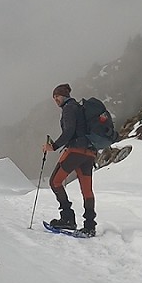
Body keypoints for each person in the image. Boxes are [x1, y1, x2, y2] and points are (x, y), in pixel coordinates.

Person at [43, 83, 98, 236]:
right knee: (87, 190)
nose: (55, 100)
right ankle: (89, 226)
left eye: (57, 97)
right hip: (90, 153)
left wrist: (53, 147)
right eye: (54, 98)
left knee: (55, 181)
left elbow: (69, 132)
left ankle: (68, 219)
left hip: (75, 151)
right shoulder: (80, 108)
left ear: (64, 96)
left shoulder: (69, 108)